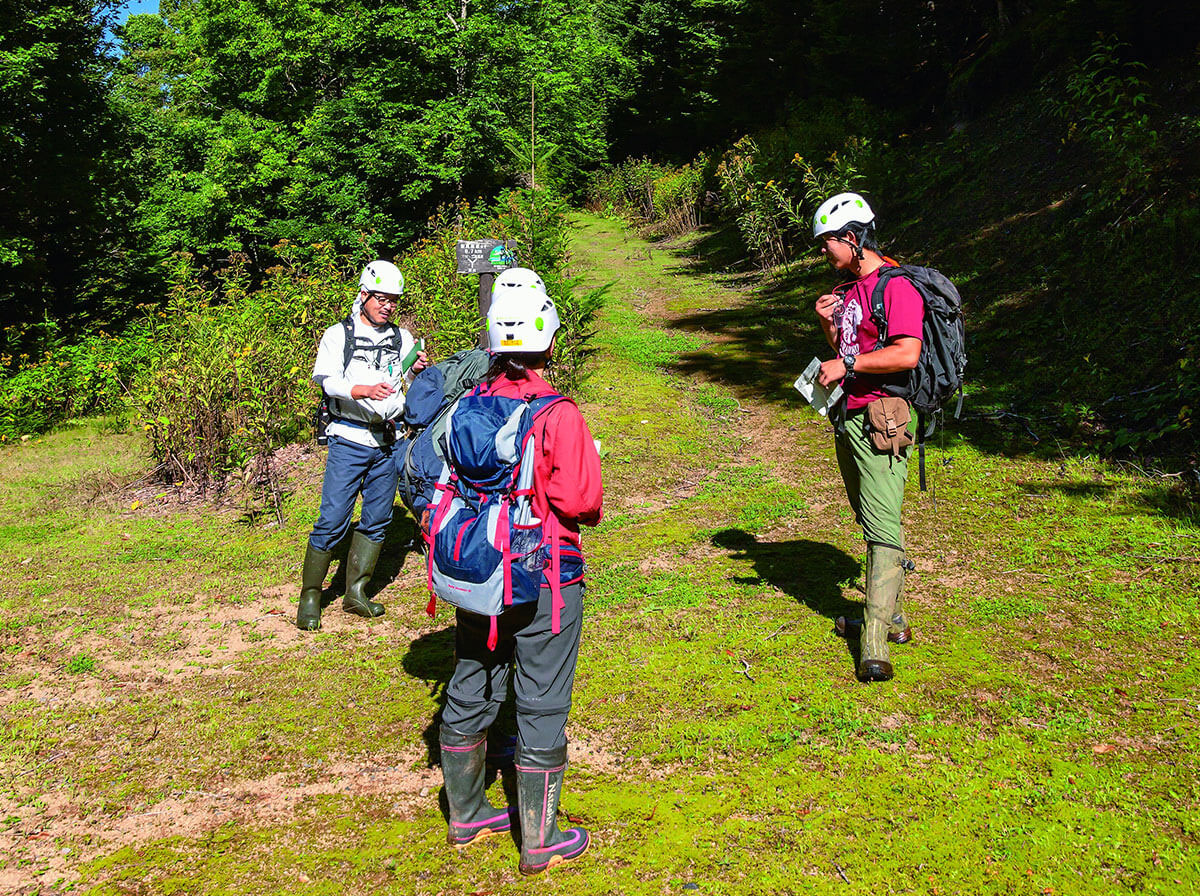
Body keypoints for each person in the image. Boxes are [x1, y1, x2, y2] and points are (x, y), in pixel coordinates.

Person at [434, 275, 603, 875]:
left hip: (476, 566)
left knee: (471, 670)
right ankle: (539, 837)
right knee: (542, 697)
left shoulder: (466, 403)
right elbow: (583, 501)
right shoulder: (558, 414)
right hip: (544, 572)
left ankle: (466, 812)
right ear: (548, 338)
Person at [813, 192, 922, 683]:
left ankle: (873, 641)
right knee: (869, 516)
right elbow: (848, 351)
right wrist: (828, 326)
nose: (822, 252)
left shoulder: (897, 287)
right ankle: (891, 614)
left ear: (852, 238)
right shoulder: (849, 291)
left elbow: (906, 354)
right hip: (849, 417)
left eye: (826, 243)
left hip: (884, 419)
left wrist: (849, 362)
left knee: (882, 528)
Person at [296, 260, 427, 631]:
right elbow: (327, 381)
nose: (387, 306)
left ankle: (356, 592)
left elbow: (401, 385)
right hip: (349, 438)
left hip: (389, 440)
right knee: (333, 519)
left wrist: (415, 372)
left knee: (378, 519)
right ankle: (311, 596)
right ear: (364, 296)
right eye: (381, 298)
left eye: (393, 300)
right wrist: (361, 390)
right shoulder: (338, 334)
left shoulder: (402, 337)